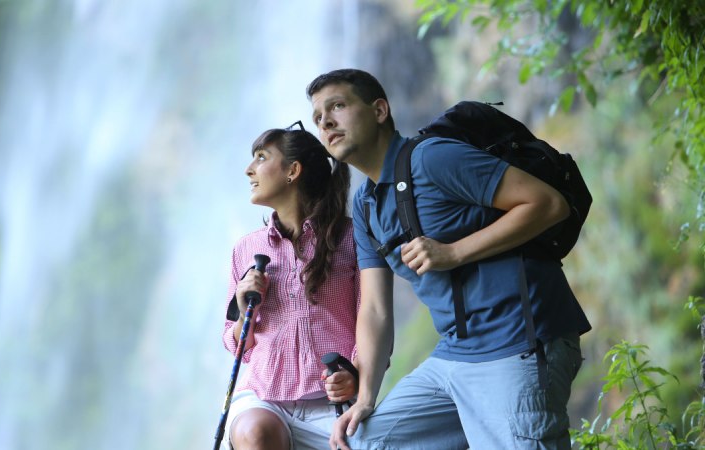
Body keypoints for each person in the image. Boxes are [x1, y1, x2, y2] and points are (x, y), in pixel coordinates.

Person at [306, 68, 592, 450]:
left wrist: (453, 251)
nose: (326, 121)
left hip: (517, 340)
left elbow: (547, 204)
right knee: (370, 441)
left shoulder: (433, 159)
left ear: (379, 110)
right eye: (318, 118)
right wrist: (366, 397)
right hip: (455, 355)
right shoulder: (365, 205)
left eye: (337, 106)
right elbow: (374, 308)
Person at [221, 122, 360, 450]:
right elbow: (236, 345)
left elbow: (372, 317)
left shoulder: (352, 238)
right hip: (264, 398)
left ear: (292, 171)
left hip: (333, 400)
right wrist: (244, 311)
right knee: (256, 435)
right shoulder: (246, 249)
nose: (248, 170)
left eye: (260, 157)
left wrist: (355, 374)